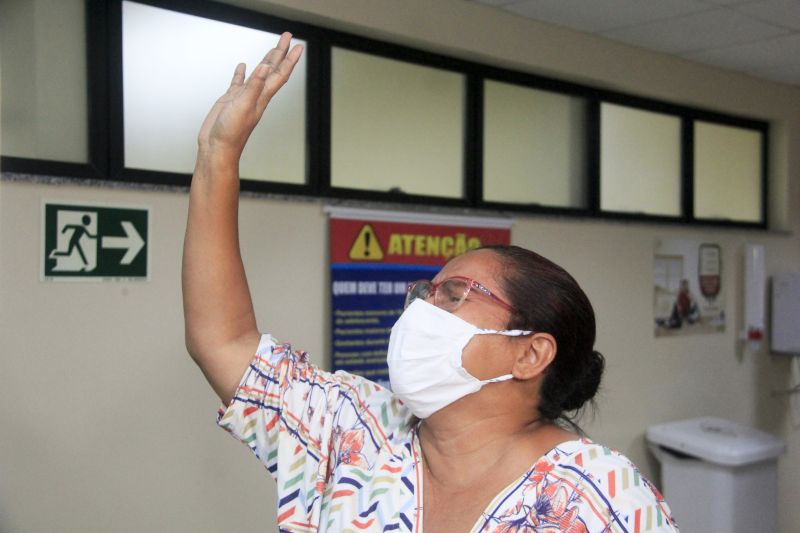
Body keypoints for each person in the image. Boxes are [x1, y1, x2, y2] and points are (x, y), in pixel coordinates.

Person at [182, 33, 679, 532]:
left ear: (529, 354)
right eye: (424, 292)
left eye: (455, 294)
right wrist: (217, 154)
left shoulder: (599, 498)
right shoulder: (358, 434)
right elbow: (223, 341)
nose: (420, 309)